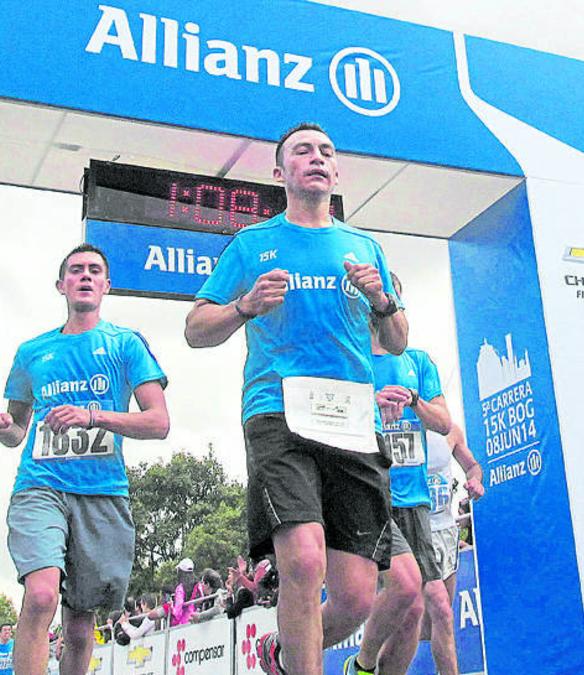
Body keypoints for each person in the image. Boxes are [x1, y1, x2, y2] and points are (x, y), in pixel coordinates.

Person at [185, 121, 407, 675]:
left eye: (326, 152)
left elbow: (398, 339)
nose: (317, 158)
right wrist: (244, 306)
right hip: (277, 411)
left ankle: (282, 655)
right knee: (304, 561)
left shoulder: (365, 248)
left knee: (356, 597)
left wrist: (381, 299)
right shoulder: (252, 244)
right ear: (280, 172)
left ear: (336, 171)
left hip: (352, 422)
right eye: (303, 151)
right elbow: (195, 328)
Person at [0, 243, 170, 675]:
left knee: (81, 626)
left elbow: (159, 422)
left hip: (102, 491)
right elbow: (17, 429)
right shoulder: (32, 352)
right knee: (41, 596)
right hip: (40, 485)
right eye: (75, 270)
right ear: (61, 285)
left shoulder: (125, 344)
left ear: (107, 285)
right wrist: (0, 429)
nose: (85, 276)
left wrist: (92, 416)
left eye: (93, 270)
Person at [346, 275, 452, 675]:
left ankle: (365, 666)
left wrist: (414, 401)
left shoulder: (417, 362)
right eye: (372, 297)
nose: (381, 305)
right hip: (373, 497)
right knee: (408, 599)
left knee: (422, 610)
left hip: (415, 501)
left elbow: (443, 422)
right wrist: (372, 402)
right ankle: (361, 664)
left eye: (389, 299)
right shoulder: (352, 360)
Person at [419, 423, 485, 675]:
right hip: (415, 529)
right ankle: (367, 661)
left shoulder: (450, 431)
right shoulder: (401, 424)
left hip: (446, 531)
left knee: (434, 622)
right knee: (438, 613)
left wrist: (474, 481)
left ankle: (367, 659)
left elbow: (473, 466)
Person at [168, 557, 198, 626]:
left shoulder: (180, 589)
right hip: (197, 621)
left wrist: (171, 606)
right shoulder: (198, 586)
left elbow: (177, 613)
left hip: (184, 625)